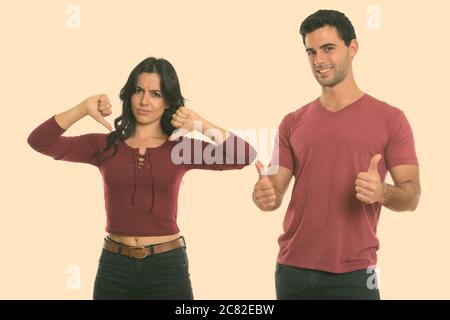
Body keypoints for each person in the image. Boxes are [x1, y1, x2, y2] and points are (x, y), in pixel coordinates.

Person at [28, 57, 256, 300]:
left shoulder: (180, 149)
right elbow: (40, 142)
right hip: (114, 268)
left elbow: (244, 155)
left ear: (168, 101)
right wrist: (83, 108)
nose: (144, 101)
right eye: (138, 91)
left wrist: (199, 123)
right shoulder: (105, 145)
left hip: (167, 268)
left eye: (156, 94)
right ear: (129, 94)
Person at [252, 10, 421, 300]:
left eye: (328, 48)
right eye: (311, 51)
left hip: (355, 273)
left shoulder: (391, 119)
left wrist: (382, 192)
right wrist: (264, 195)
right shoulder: (293, 121)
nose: (319, 60)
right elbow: (274, 191)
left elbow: (412, 196)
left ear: (352, 48)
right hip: (291, 270)